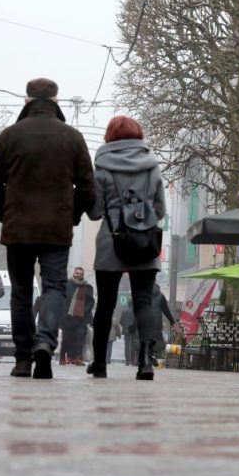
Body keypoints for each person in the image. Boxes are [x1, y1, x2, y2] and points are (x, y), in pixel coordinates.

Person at [0, 77, 95, 379]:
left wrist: (7, 214)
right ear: (57, 102)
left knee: (21, 292)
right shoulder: (72, 137)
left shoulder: (9, 136)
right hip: (55, 229)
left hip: (18, 228)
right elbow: (88, 189)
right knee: (54, 287)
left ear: (27, 101)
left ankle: (22, 359)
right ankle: (45, 342)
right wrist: (70, 216)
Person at [86, 115, 166, 380]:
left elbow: (96, 212)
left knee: (106, 305)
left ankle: (99, 364)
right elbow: (160, 210)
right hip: (145, 242)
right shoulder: (151, 166)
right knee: (144, 301)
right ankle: (145, 362)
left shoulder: (102, 167)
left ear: (109, 137)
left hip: (112, 242)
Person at [58, 267, 95, 366]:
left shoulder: (87, 287)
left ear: (83, 275)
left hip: (82, 318)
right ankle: (62, 357)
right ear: (74, 273)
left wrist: (83, 310)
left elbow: (91, 301)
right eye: (77, 273)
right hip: (68, 317)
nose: (78, 275)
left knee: (80, 338)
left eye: (80, 274)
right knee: (66, 339)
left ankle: (78, 358)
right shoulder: (67, 285)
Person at [148, 282, 176, 367]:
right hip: (156, 321)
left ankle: (149, 356)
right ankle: (153, 355)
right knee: (155, 340)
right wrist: (171, 321)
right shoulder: (161, 296)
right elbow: (166, 310)